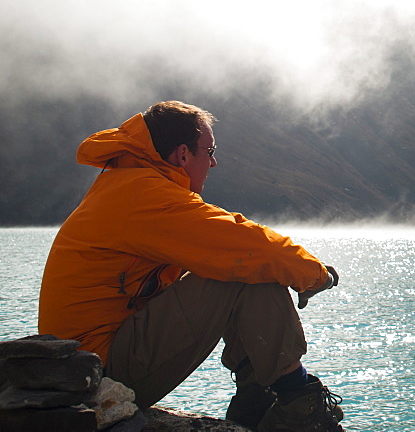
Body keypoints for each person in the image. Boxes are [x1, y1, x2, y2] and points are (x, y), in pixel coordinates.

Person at [38, 100, 345, 431]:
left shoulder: (128, 185)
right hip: (97, 374)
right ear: (183, 154)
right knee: (244, 266)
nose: (213, 162)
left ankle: (258, 397)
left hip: (83, 366)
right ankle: (297, 404)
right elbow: (249, 245)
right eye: (209, 151)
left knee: (239, 262)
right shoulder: (144, 196)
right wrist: (317, 276)